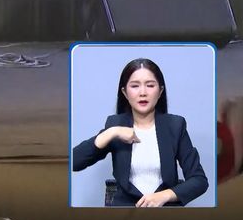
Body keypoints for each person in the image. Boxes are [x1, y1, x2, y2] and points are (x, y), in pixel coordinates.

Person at [72, 58, 209, 206]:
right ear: (125, 92)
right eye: (135, 86)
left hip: (166, 211)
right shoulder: (115, 125)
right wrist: (111, 132)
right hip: (124, 211)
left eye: (150, 85)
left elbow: (199, 180)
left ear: (160, 91)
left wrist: (165, 195)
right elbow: (74, 162)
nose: (143, 93)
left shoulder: (175, 125)